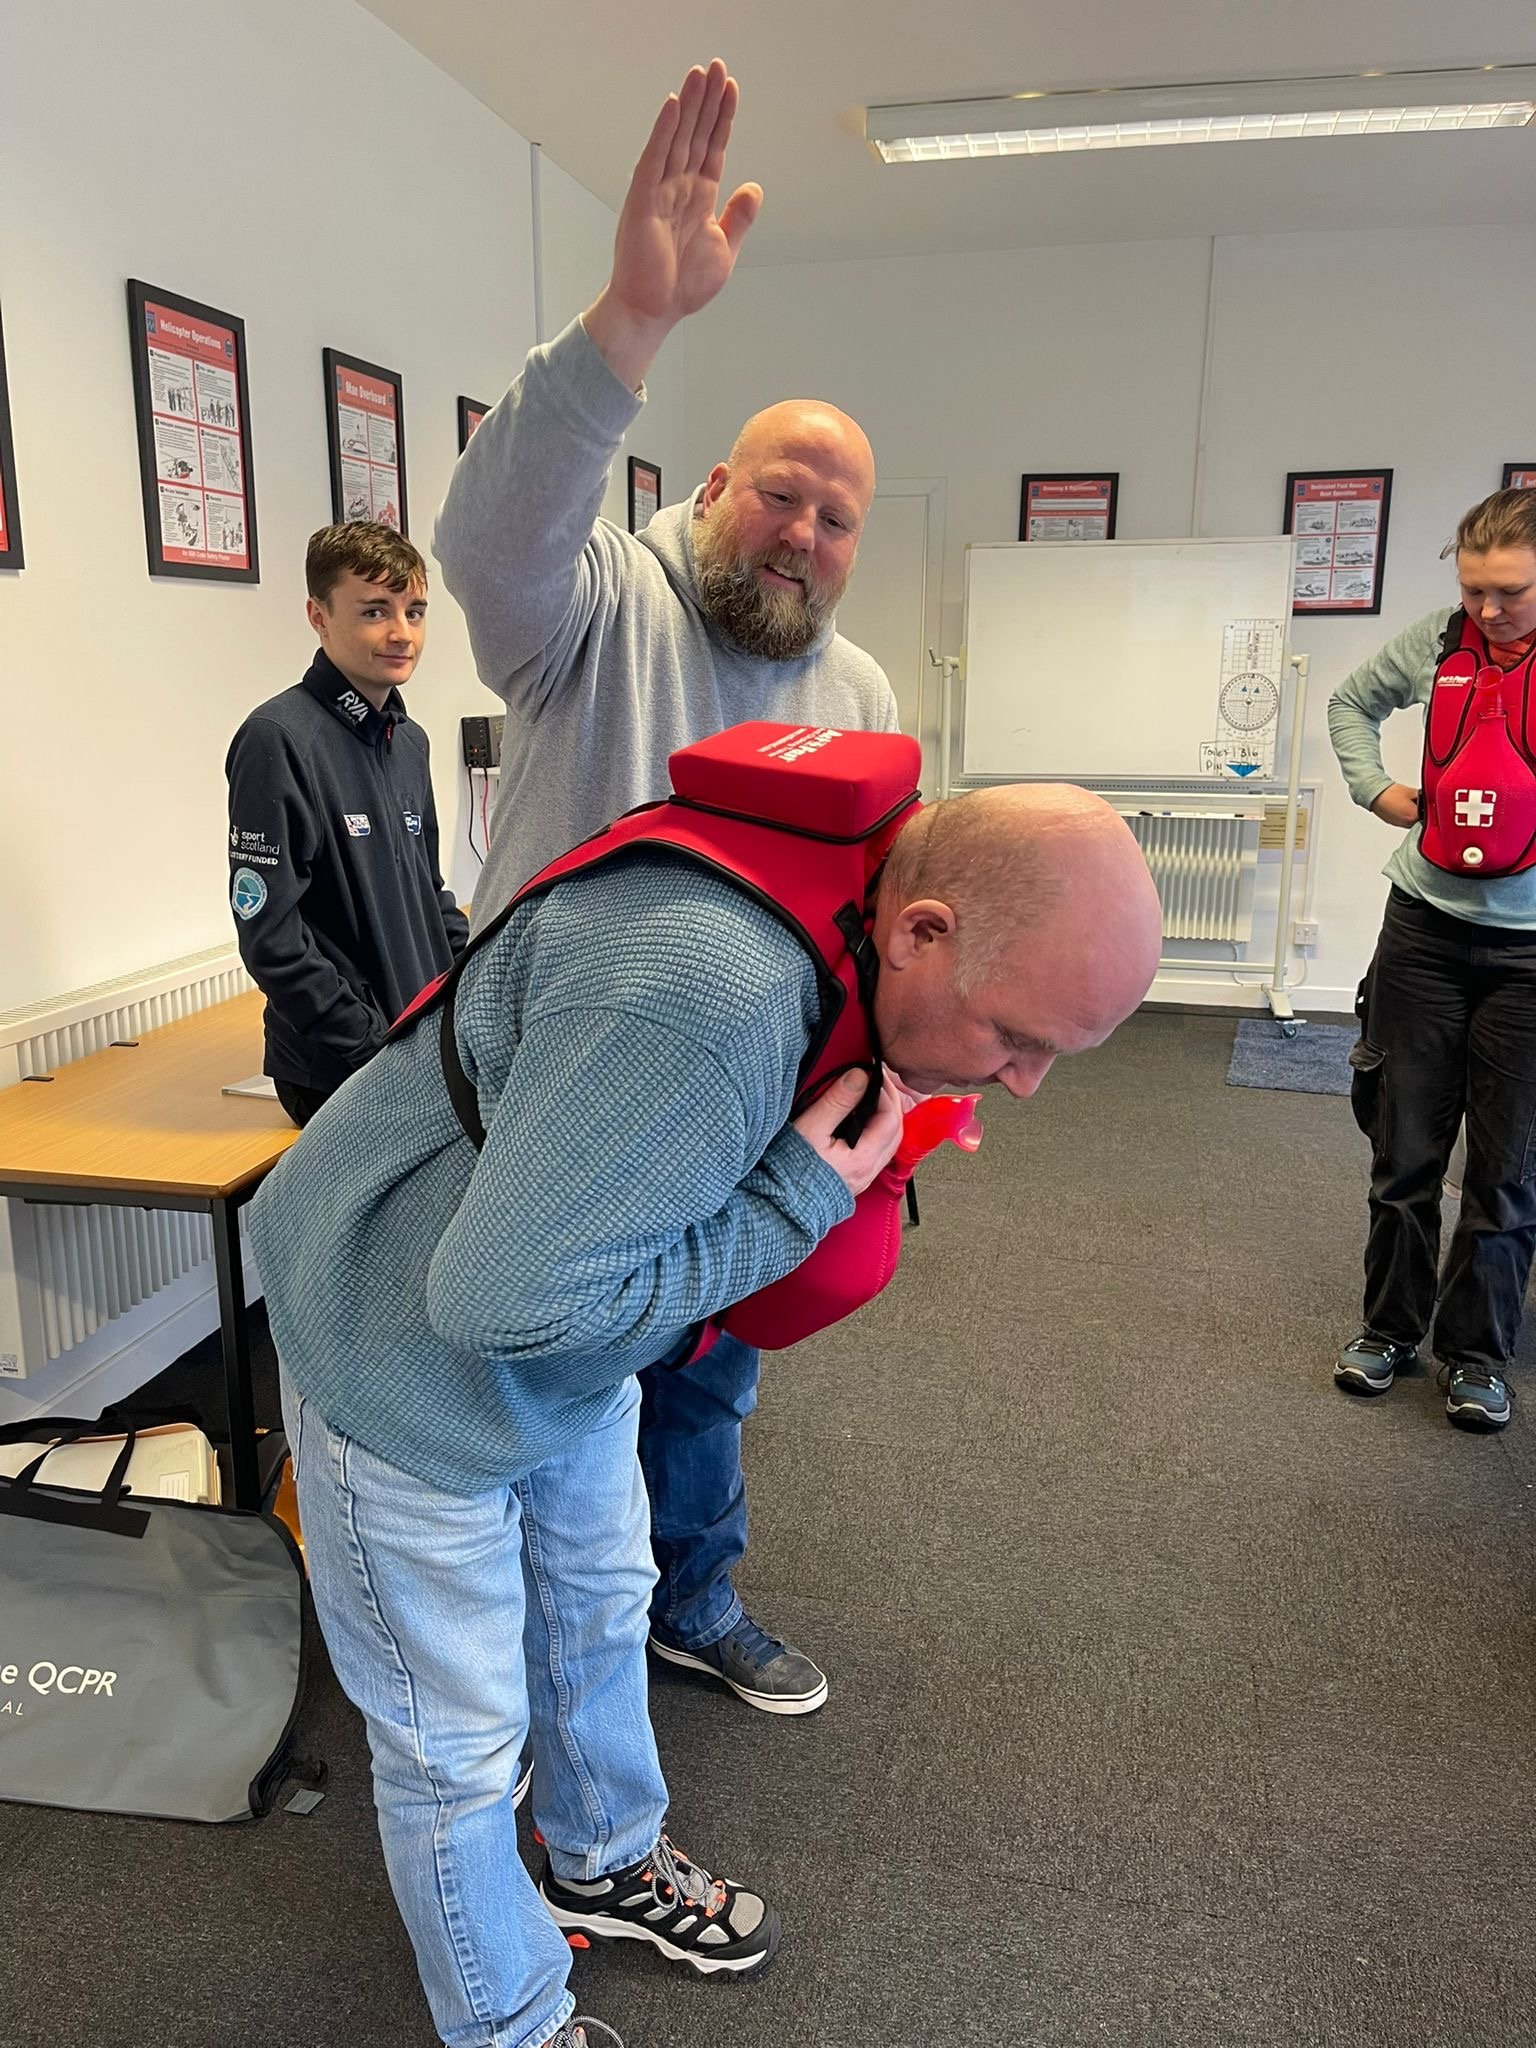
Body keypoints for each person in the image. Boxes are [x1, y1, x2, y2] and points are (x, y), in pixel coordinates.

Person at [246, 768, 1163, 2048]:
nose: (1022, 1084)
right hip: (400, 1350)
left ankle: (604, 1858)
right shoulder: (708, 1001)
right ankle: (506, 2019)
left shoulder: (856, 917)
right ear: (923, 931)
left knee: (602, 1603)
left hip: (569, 1330)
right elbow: (495, 1306)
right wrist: (795, 1198)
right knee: (454, 1744)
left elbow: (571, 1277)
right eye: (1020, 1038)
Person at [434, 60, 896, 1715]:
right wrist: (629, 323)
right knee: (556, 1396)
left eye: (836, 518)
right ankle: (533, 1673)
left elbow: (868, 918)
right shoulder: (598, 610)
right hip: (552, 1106)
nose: (803, 530)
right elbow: (485, 544)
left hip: (744, 1110)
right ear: (707, 491)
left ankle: (690, 1595)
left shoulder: (861, 692)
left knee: (708, 1383)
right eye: (779, 488)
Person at [1330, 486, 1536, 1431]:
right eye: (1476, 589)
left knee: (1505, 1166)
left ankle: (1478, 1353)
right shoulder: (1440, 641)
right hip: (1423, 928)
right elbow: (1351, 701)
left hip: (1528, 953)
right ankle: (1389, 1330)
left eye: (1513, 592)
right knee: (1405, 1147)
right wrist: (1378, 791)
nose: (1490, 610)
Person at [225, 522, 467, 1127]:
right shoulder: (278, 740)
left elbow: (427, 894)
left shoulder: (409, 742)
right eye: (374, 611)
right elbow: (271, 938)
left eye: (415, 612)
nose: (401, 633)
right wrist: (370, 1045)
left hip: (421, 1052)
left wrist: (471, 990)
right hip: (343, 1070)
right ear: (319, 616)